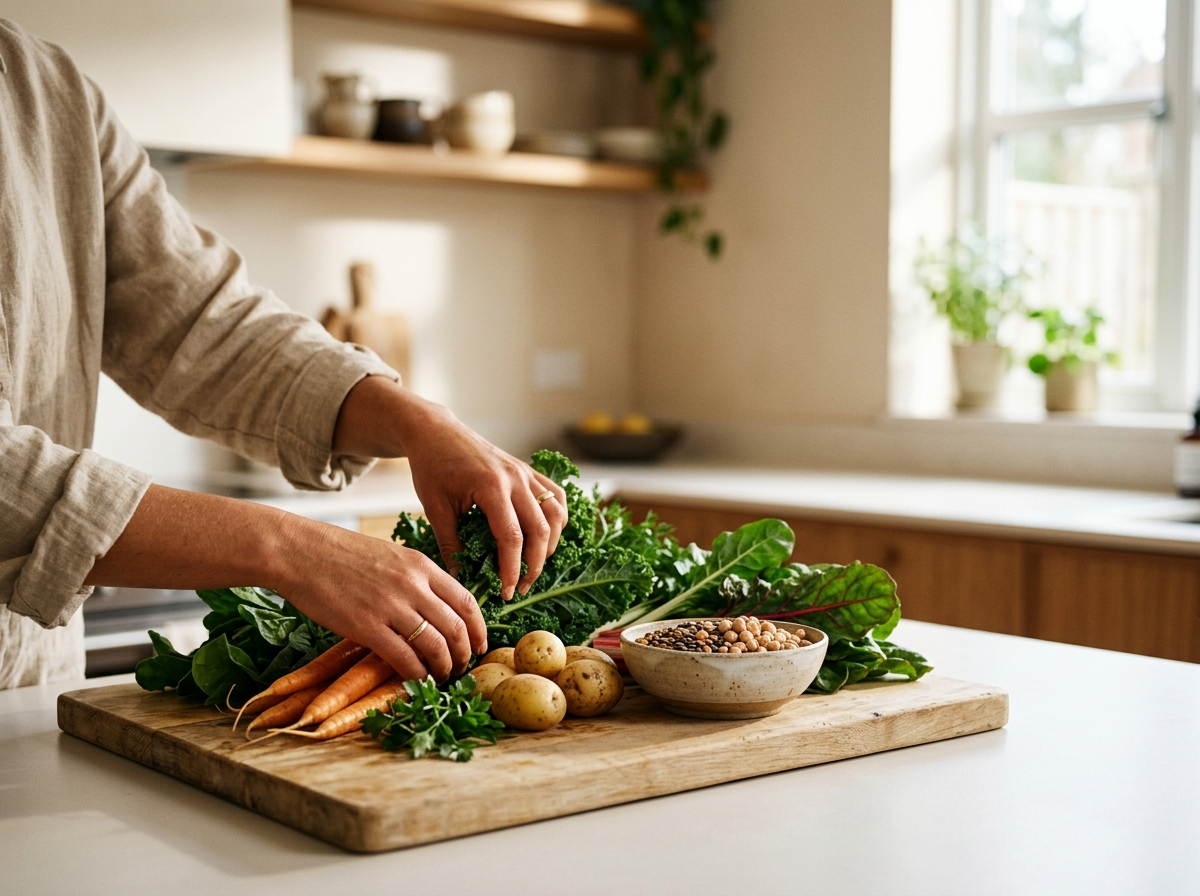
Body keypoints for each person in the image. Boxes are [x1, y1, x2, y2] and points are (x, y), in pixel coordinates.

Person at [0, 20, 567, 689]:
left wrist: (417, 419)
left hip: (28, 688)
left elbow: (207, 325)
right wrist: (288, 548)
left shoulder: (46, 87)